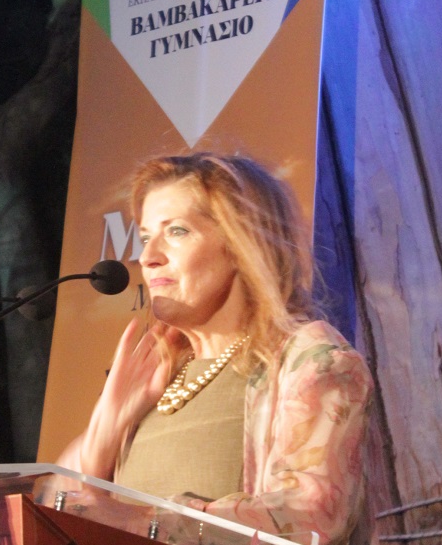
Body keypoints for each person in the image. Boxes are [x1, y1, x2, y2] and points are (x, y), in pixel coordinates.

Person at [56, 152, 373, 543]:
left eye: (177, 232)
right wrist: (102, 437)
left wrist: (142, 521)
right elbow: (46, 510)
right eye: (145, 238)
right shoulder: (156, 377)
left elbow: (310, 516)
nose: (148, 258)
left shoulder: (311, 360)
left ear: (241, 244)